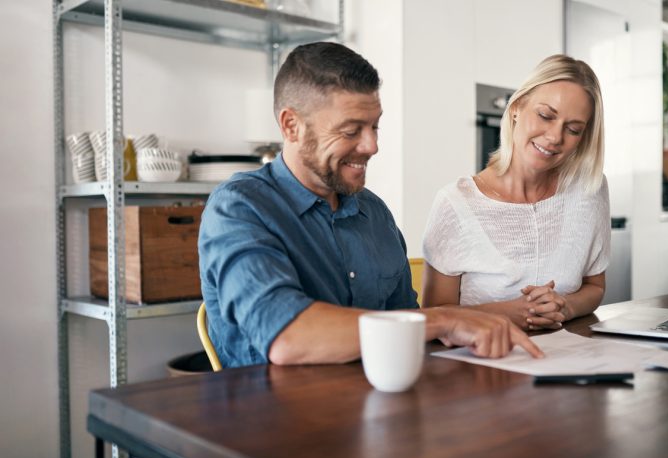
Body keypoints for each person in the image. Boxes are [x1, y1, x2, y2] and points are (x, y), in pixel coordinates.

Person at [198, 42, 543, 368]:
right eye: (351, 131)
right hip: (271, 422)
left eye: (375, 126)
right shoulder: (240, 208)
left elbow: (409, 331)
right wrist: (445, 318)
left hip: (375, 409)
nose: (372, 145)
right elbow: (288, 338)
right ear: (292, 126)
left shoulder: (374, 213)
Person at [422, 54, 610, 332]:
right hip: (480, 367)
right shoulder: (455, 203)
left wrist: (564, 306)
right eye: (545, 115)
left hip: (565, 360)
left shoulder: (590, 191)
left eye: (573, 129)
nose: (555, 137)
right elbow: (434, 316)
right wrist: (510, 313)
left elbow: (595, 286)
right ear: (516, 108)